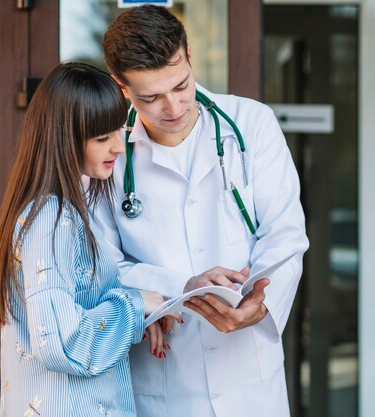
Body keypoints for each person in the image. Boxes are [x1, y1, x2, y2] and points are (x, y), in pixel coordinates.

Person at [91, 5, 309, 417]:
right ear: (121, 86)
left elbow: (286, 234)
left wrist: (262, 303)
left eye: (181, 85)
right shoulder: (110, 151)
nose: (172, 107)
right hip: (163, 378)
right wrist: (178, 286)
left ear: (189, 54)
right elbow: (102, 265)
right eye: (150, 97)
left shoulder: (252, 124)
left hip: (249, 379)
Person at [0, 62, 175, 417]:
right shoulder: (50, 219)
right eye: (102, 138)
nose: (118, 148)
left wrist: (142, 315)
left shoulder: (56, 213)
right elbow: (62, 342)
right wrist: (135, 306)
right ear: (65, 139)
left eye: (119, 131)